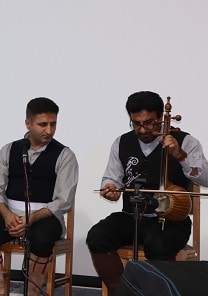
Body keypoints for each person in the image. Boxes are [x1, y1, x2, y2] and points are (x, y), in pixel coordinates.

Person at [86, 91, 208, 295]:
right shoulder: (122, 142)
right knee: (97, 236)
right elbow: (111, 178)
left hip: (170, 220)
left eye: (149, 123)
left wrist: (180, 155)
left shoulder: (186, 141)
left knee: (158, 245)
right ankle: (122, 291)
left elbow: (205, 179)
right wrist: (110, 188)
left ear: (161, 118)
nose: (142, 129)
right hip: (131, 215)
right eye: (136, 124)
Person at [0, 97, 79, 296]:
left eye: (53, 124)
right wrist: (6, 214)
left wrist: (30, 219)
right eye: (43, 124)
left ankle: (32, 292)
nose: (49, 130)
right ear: (28, 123)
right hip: (10, 215)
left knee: (41, 239)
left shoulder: (65, 155)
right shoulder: (9, 150)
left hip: (45, 217)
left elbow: (63, 201)